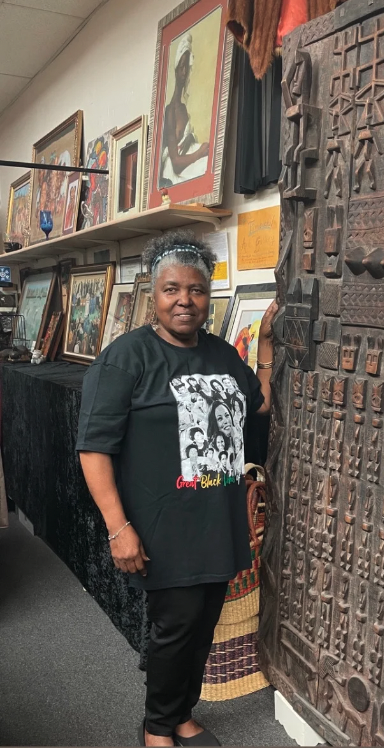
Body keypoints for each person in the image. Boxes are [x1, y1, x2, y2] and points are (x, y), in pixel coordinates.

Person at [77, 230, 277, 747]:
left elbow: (257, 403)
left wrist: (267, 348)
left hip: (217, 521)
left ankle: (182, 712)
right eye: (171, 289)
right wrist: (118, 528)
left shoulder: (221, 354)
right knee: (175, 627)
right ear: (154, 294)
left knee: (203, 624)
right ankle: (157, 727)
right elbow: (94, 449)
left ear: (208, 296)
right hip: (164, 527)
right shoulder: (126, 358)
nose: (184, 300)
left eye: (196, 290)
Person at [160, 34, 209, 187]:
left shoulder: (183, 107)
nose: (184, 72)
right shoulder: (170, 111)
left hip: (185, 159)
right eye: (181, 67)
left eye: (186, 67)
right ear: (175, 70)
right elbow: (175, 162)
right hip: (174, 171)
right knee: (204, 163)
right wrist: (199, 153)